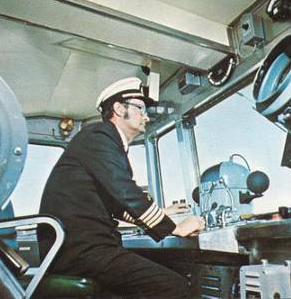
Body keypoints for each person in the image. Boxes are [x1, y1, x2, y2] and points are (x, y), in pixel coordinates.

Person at [39, 77, 205, 298]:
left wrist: (162, 213)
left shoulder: (106, 143)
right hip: (81, 252)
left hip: (79, 250)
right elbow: (126, 192)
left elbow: (117, 205)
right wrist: (175, 228)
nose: (146, 116)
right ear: (119, 108)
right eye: (141, 108)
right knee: (175, 287)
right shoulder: (99, 136)